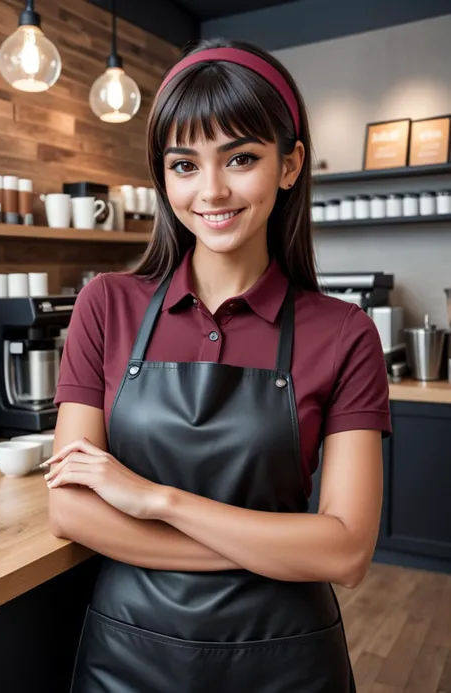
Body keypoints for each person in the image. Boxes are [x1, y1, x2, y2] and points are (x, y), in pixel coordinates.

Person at [45, 37, 392, 693]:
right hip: (127, 655)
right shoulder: (106, 305)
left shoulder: (345, 333)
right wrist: (276, 548)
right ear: (163, 175)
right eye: (184, 164)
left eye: (240, 157)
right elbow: (72, 511)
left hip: (287, 660)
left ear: (289, 165)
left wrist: (155, 499)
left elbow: (346, 551)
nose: (211, 190)